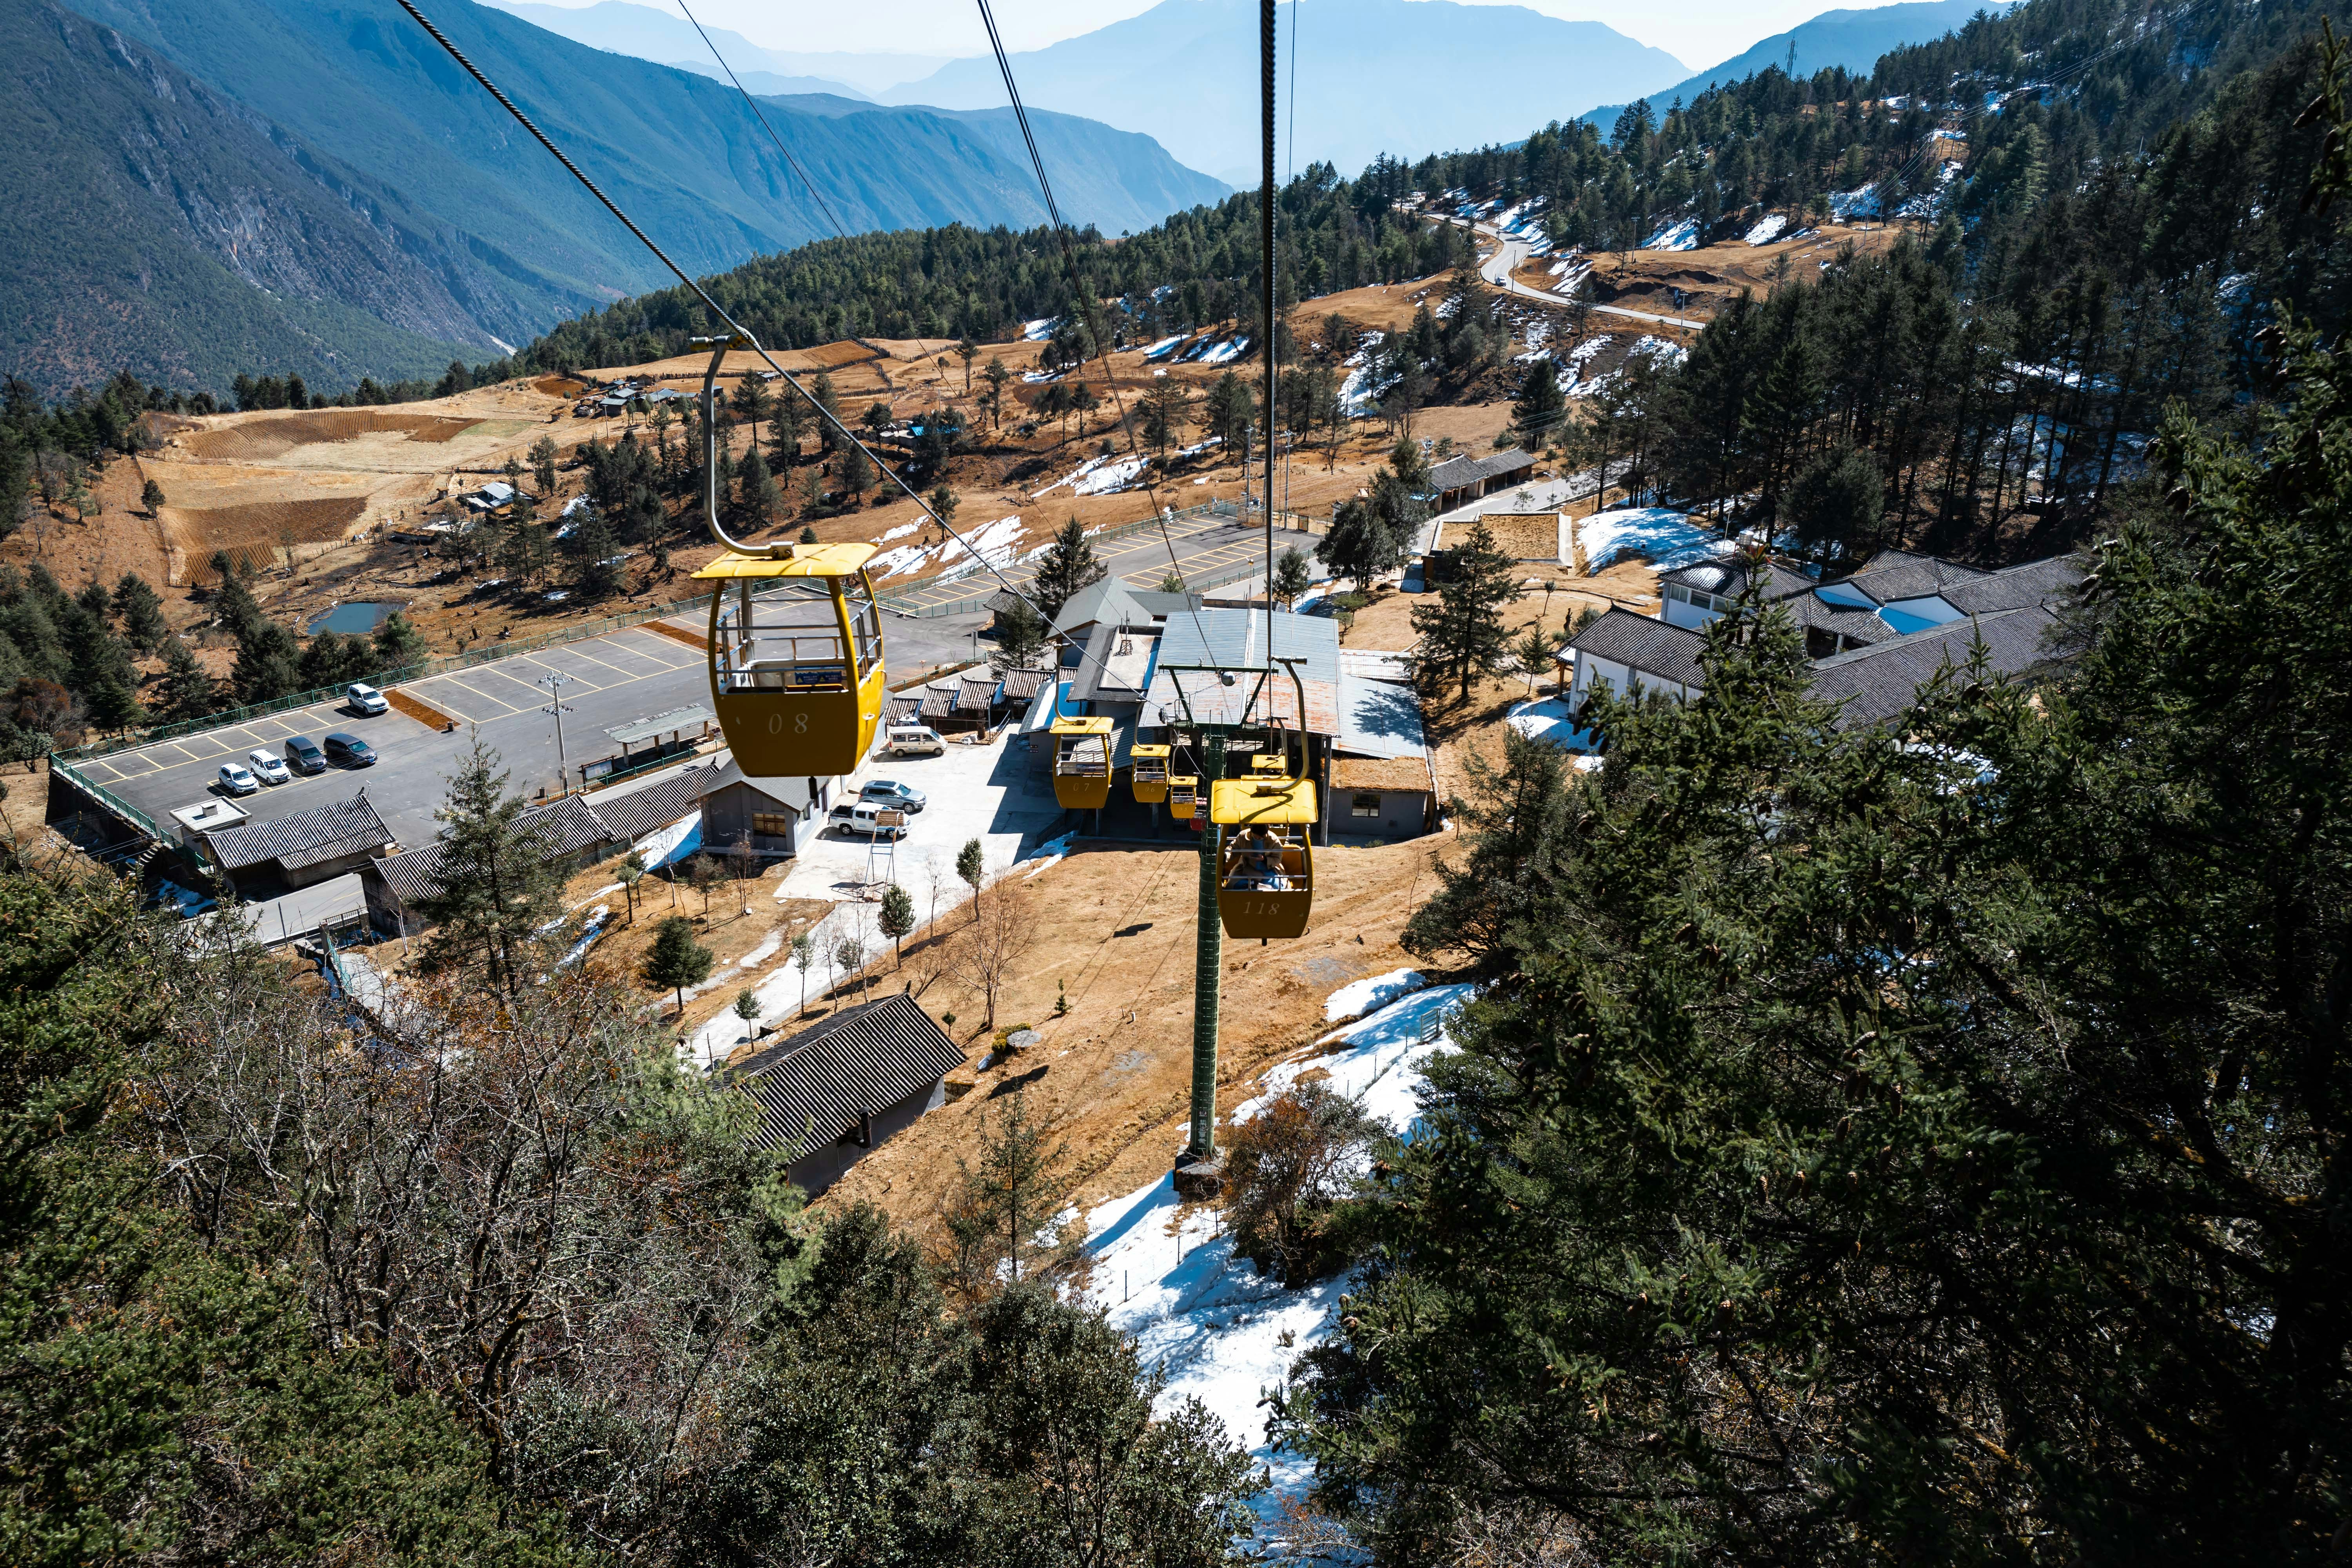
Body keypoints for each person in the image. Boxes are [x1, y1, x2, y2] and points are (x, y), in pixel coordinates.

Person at [1227, 824, 1291, 890]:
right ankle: (1252, 885)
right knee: (1233, 886)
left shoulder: (1273, 839)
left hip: (1269, 870)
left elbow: (1278, 858)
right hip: (1247, 867)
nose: (1257, 838)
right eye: (1255, 837)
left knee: (1281, 887)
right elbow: (1233, 849)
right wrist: (1226, 856)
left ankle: (1258, 885)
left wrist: (1265, 860)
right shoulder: (1243, 836)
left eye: (1260, 838)